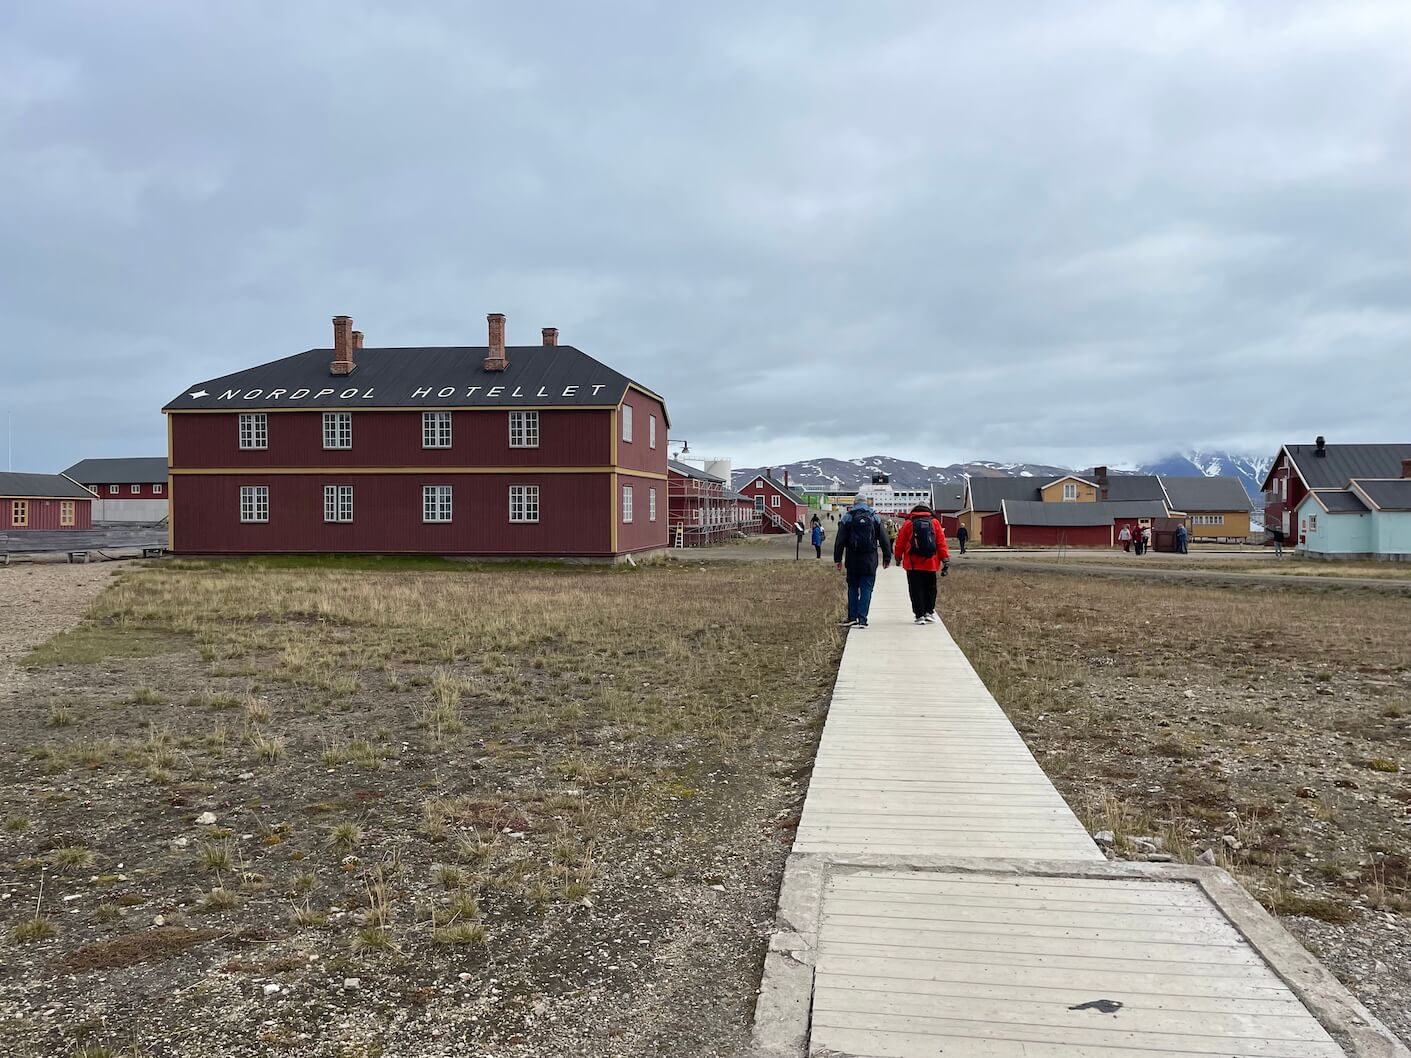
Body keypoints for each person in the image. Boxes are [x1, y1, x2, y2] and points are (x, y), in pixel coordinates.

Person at [833, 496, 891, 628]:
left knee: (853, 587)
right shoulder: (874, 517)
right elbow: (884, 540)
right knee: (867, 588)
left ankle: (852, 617)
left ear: (854, 503)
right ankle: (863, 619)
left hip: (852, 558)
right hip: (870, 559)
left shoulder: (848, 517)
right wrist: (887, 557)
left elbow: (840, 540)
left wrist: (838, 559)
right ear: (866, 503)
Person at [893, 504, 949, 624]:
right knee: (930, 588)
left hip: (913, 563)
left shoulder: (908, 523)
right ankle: (929, 611)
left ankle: (919, 615)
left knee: (915, 589)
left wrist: (898, 557)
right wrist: (945, 559)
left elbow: (900, 542)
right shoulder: (935, 522)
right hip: (931, 562)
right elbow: (941, 542)